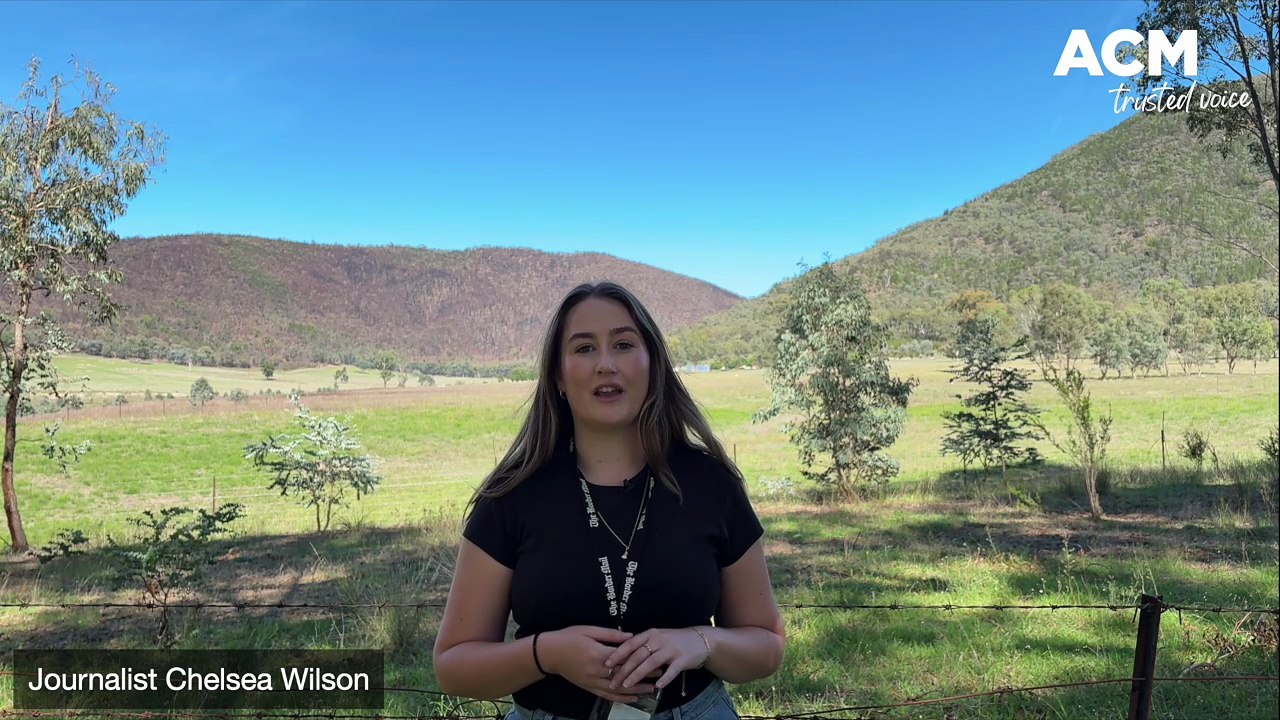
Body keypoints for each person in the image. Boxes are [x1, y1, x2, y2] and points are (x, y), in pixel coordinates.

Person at [433, 281, 784, 720]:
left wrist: (700, 642)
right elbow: (453, 668)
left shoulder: (711, 484)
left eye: (623, 344)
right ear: (558, 376)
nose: (605, 364)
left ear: (652, 363)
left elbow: (767, 646)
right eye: (584, 348)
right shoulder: (513, 495)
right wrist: (547, 654)